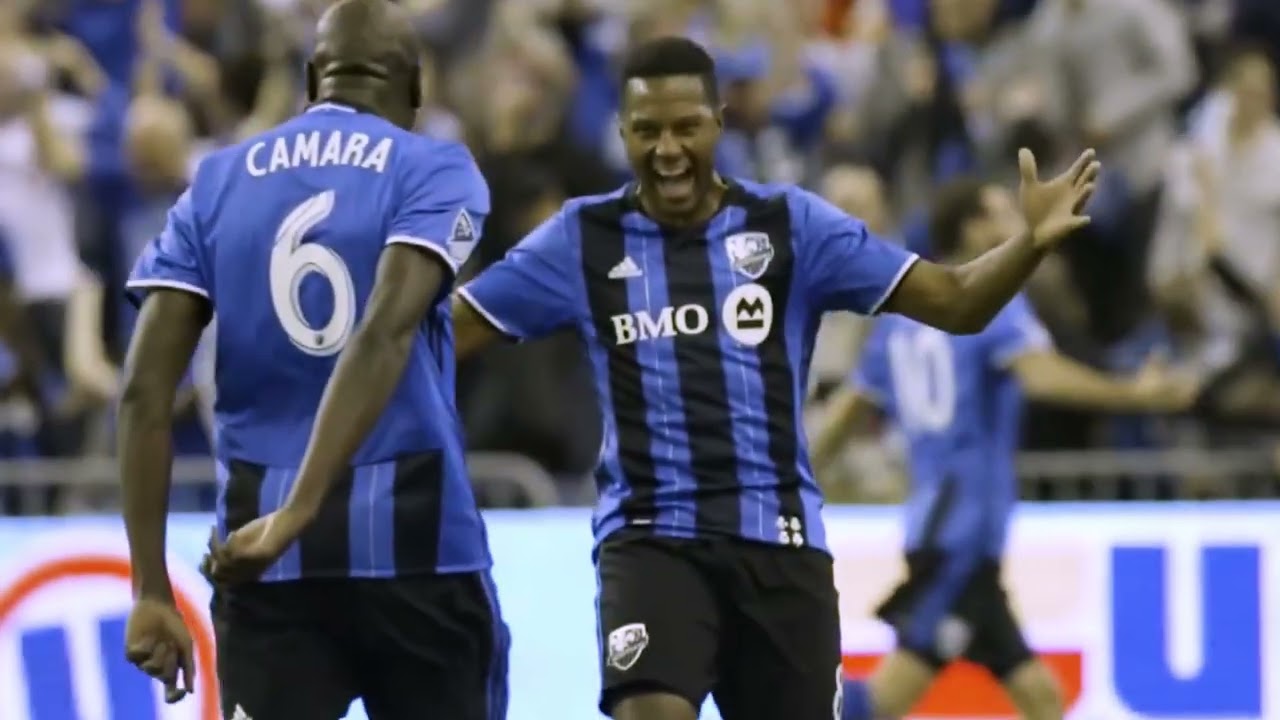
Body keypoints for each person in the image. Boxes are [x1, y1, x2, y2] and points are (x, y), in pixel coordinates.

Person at [450, 35, 1100, 720]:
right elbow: (443, 329)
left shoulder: (792, 225)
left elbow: (955, 300)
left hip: (779, 543)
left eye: (685, 127)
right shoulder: (583, 238)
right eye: (647, 131)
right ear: (622, 135)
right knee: (651, 711)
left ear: (718, 125)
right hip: (650, 537)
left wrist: (1027, 246)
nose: (667, 148)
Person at [118, 2, 507, 719]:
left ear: (310, 79)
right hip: (419, 556)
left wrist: (148, 589)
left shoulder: (216, 183)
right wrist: (302, 510)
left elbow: (143, 390)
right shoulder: (435, 168)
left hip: (263, 568)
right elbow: (384, 331)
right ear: (415, 88)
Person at [809, 178, 1199, 720]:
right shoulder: (991, 306)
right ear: (970, 230)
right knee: (880, 704)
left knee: (1039, 698)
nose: (1015, 223)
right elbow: (1038, 376)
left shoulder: (895, 327)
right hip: (960, 538)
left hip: (940, 531)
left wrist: (787, 476)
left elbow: (838, 424)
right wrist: (1134, 394)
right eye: (998, 214)